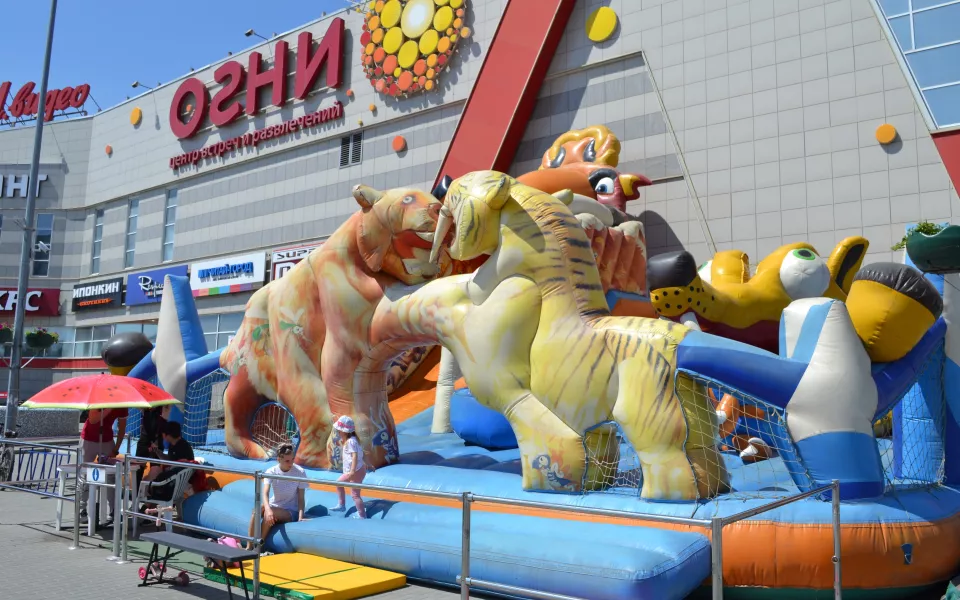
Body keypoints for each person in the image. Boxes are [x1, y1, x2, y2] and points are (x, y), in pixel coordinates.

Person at [246, 444, 308, 551]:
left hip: (290, 510)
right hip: (275, 505)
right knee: (256, 511)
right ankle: (248, 546)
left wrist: (300, 517)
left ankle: (258, 547)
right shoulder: (272, 471)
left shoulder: (300, 472)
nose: (291, 463)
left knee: (270, 513)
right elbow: (265, 493)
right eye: (287, 461)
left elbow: (301, 498)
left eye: (292, 459)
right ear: (279, 459)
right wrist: (268, 509)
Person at [78, 406, 128, 522]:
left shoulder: (122, 404)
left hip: (107, 440)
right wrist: (108, 408)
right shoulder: (98, 400)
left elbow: (122, 429)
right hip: (88, 438)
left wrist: (116, 449)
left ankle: (114, 510)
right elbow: (93, 420)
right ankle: (81, 509)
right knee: (85, 474)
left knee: (111, 476)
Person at [144, 421, 194, 502]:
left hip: (176, 482)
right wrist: (157, 451)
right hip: (177, 478)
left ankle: (147, 503)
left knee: (153, 473)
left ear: (166, 435)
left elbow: (177, 467)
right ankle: (148, 503)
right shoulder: (175, 444)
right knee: (151, 474)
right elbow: (170, 461)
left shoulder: (182, 448)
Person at [331, 416, 367, 519]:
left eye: (339, 430)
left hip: (355, 471)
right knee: (339, 484)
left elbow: (355, 455)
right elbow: (362, 453)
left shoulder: (351, 442)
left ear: (344, 431)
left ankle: (362, 515)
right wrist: (368, 463)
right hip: (358, 469)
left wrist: (352, 471)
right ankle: (342, 505)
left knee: (355, 495)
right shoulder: (353, 440)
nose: (338, 432)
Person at [134, 407, 166, 489]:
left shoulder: (162, 411)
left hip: (156, 441)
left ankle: (152, 491)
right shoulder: (145, 408)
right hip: (144, 441)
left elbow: (164, 427)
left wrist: (157, 442)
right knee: (138, 469)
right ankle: (137, 491)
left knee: (155, 469)